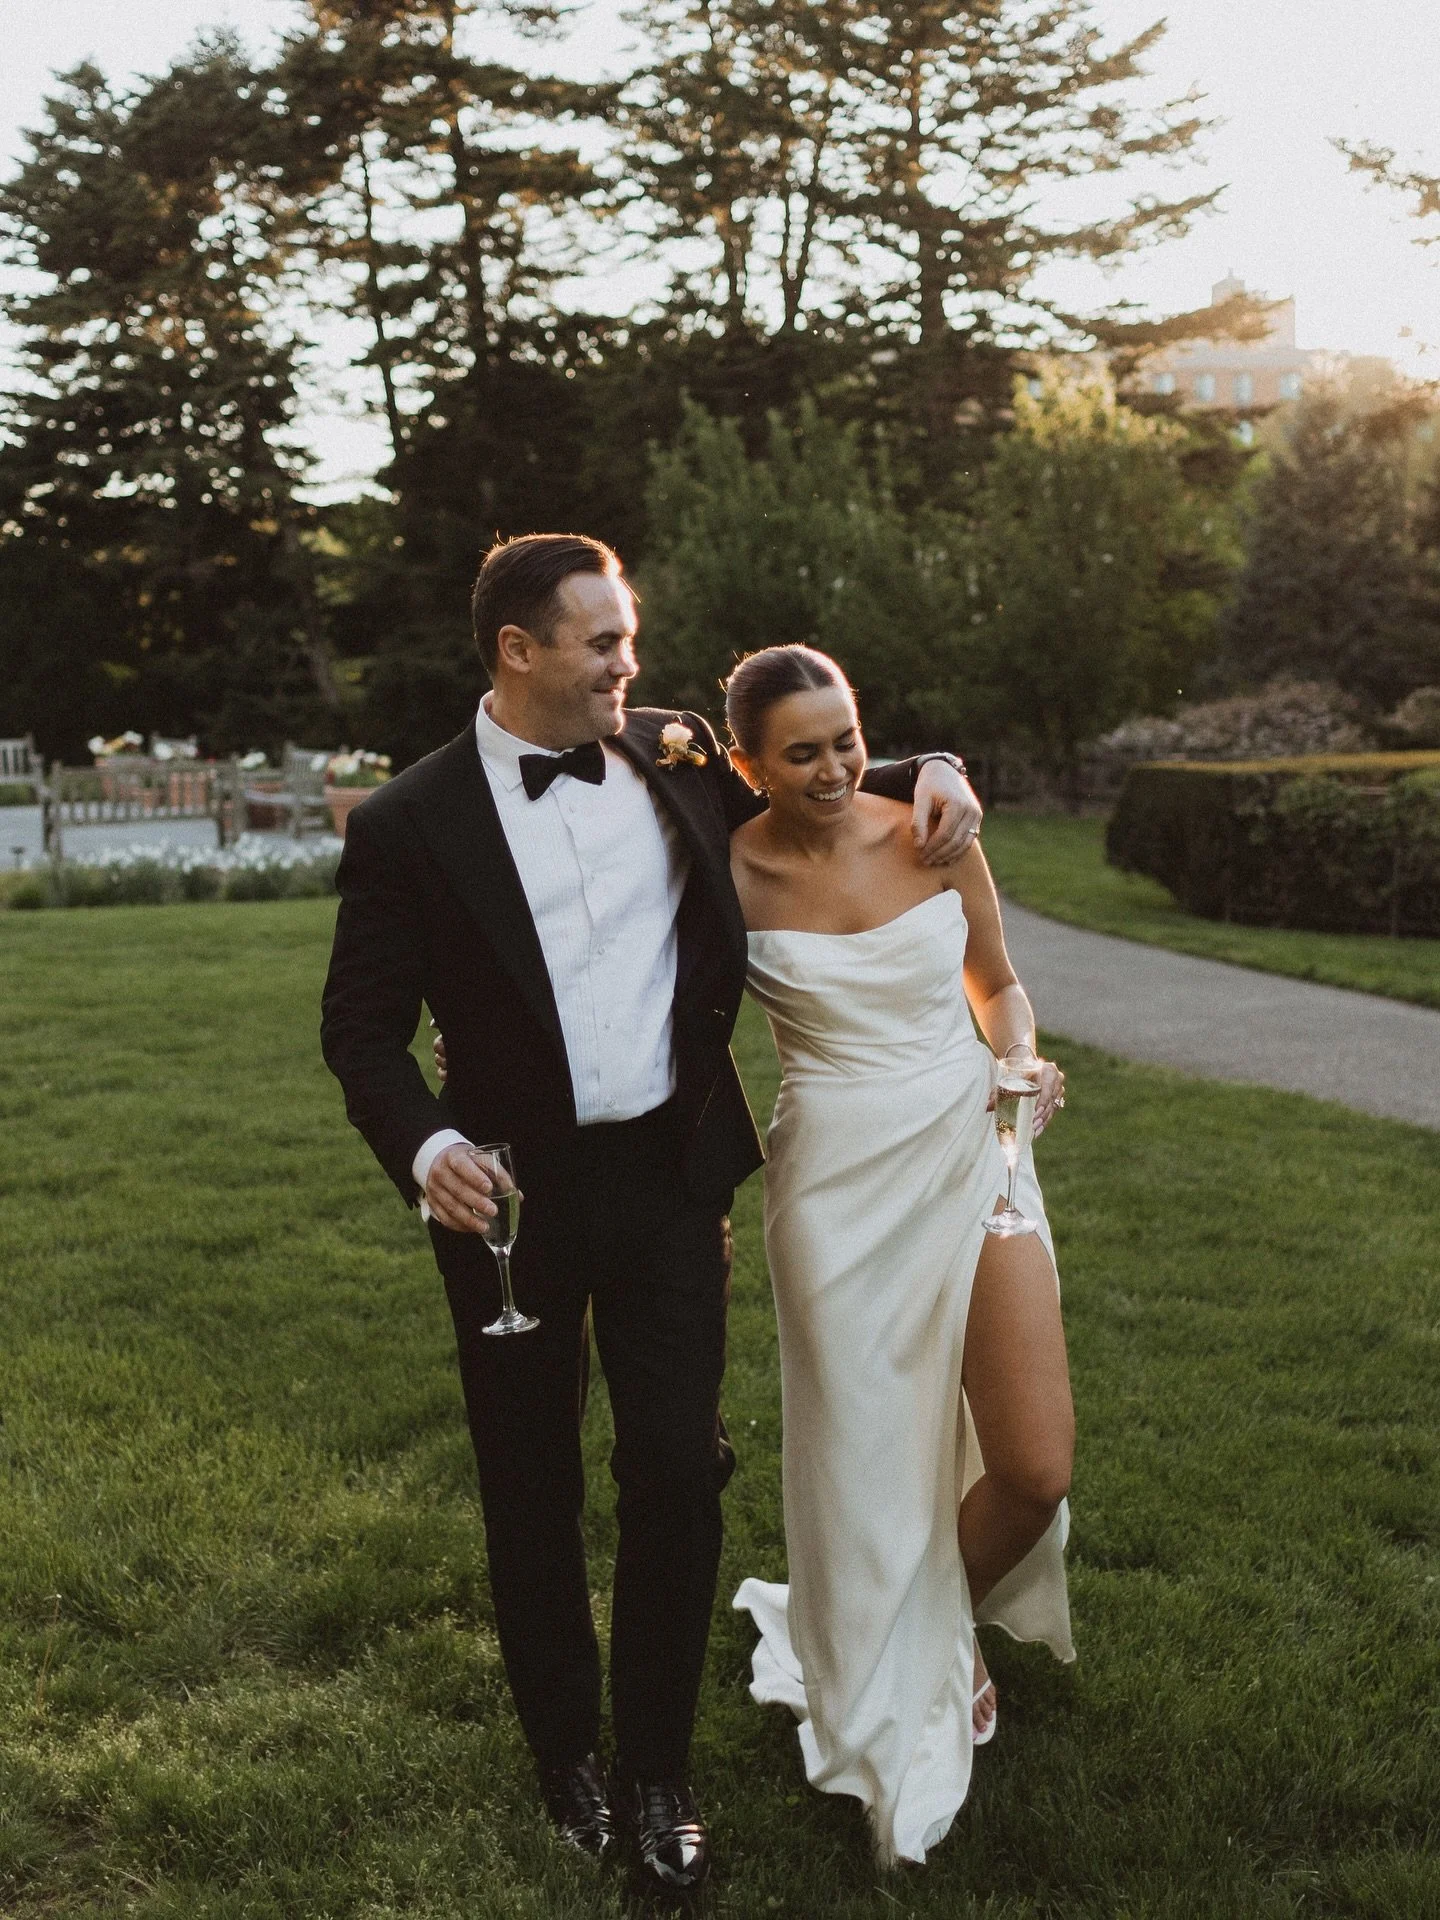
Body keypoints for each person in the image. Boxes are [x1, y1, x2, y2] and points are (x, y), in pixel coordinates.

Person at [319, 533, 982, 1895]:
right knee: (530, 1480)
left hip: (673, 1184)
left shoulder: (672, 752)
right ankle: (566, 1748)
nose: (633, 662)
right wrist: (426, 1140)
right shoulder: (408, 824)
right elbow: (361, 1029)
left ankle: (656, 1775)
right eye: (605, 643)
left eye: (629, 639)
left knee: (678, 1469)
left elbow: (830, 776)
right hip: (508, 1200)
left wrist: (944, 772)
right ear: (520, 652)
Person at [725, 644, 1075, 1868]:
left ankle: (950, 1624)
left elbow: (1002, 986)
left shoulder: (934, 829)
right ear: (746, 765)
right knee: (868, 1462)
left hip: (974, 1149)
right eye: (801, 751)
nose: (833, 769)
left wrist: (1018, 1059)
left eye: (848, 738)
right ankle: (916, 1648)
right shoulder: (721, 870)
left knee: (1034, 1466)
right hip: (832, 1187)